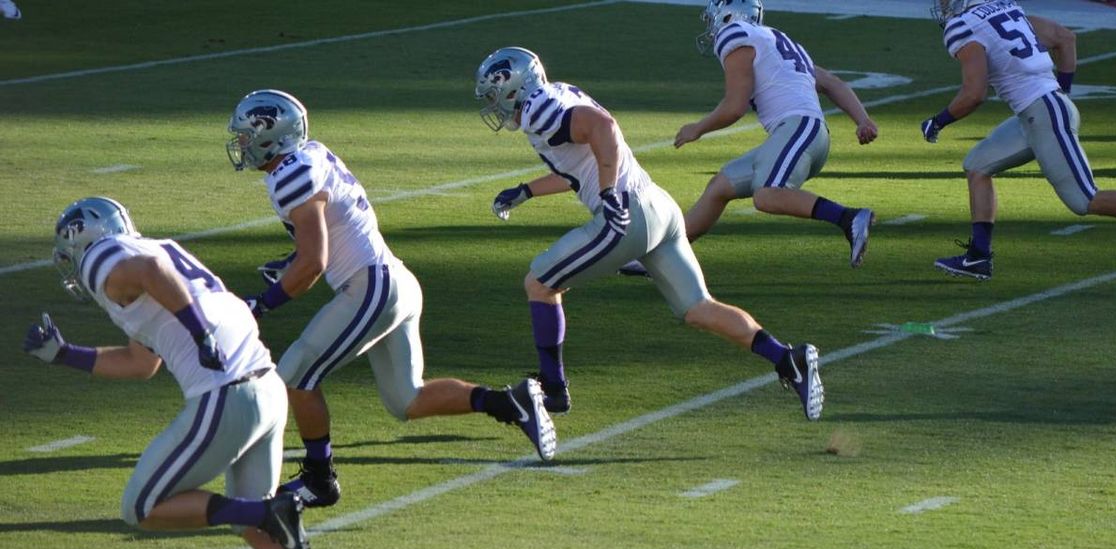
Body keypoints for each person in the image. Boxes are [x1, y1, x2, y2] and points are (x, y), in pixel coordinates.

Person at [22, 197, 350, 549]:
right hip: (267, 390)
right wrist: (65, 354)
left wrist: (200, 334)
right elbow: (141, 363)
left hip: (228, 394)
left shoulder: (104, 257)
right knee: (253, 522)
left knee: (142, 506)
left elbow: (153, 269)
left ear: (81, 237)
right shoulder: (153, 257)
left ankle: (270, 511)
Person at [226, 90, 556, 506]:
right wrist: (293, 261)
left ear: (269, 136)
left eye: (245, 135)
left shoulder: (291, 174)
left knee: (295, 375)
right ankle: (509, 402)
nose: (240, 145)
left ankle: (319, 479)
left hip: (371, 288)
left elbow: (314, 261)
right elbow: (329, 233)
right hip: (392, 282)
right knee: (407, 400)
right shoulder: (309, 156)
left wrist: (264, 303)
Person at [474, 47, 824, 421]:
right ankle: (788, 358)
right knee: (698, 308)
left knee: (539, 282)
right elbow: (580, 165)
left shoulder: (536, 110)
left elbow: (602, 129)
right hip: (659, 208)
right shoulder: (557, 94)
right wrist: (527, 190)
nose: (493, 106)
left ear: (516, 88)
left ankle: (553, 388)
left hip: (628, 214)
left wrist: (609, 194)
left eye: (494, 96)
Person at [922, 0, 1116, 280]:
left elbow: (974, 93)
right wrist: (1063, 93)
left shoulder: (963, 25)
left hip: (1043, 114)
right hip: (1040, 112)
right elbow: (1065, 39)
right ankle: (978, 257)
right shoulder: (1008, 9)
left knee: (1084, 199)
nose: (944, 5)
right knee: (977, 165)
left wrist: (939, 120)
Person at [671, 0, 878, 269]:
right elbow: (830, 82)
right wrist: (862, 119)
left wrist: (697, 128)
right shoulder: (773, 39)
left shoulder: (734, 35)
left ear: (730, 14)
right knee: (719, 187)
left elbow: (735, 107)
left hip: (797, 128)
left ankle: (848, 217)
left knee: (767, 195)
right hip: (807, 134)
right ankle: (666, 257)